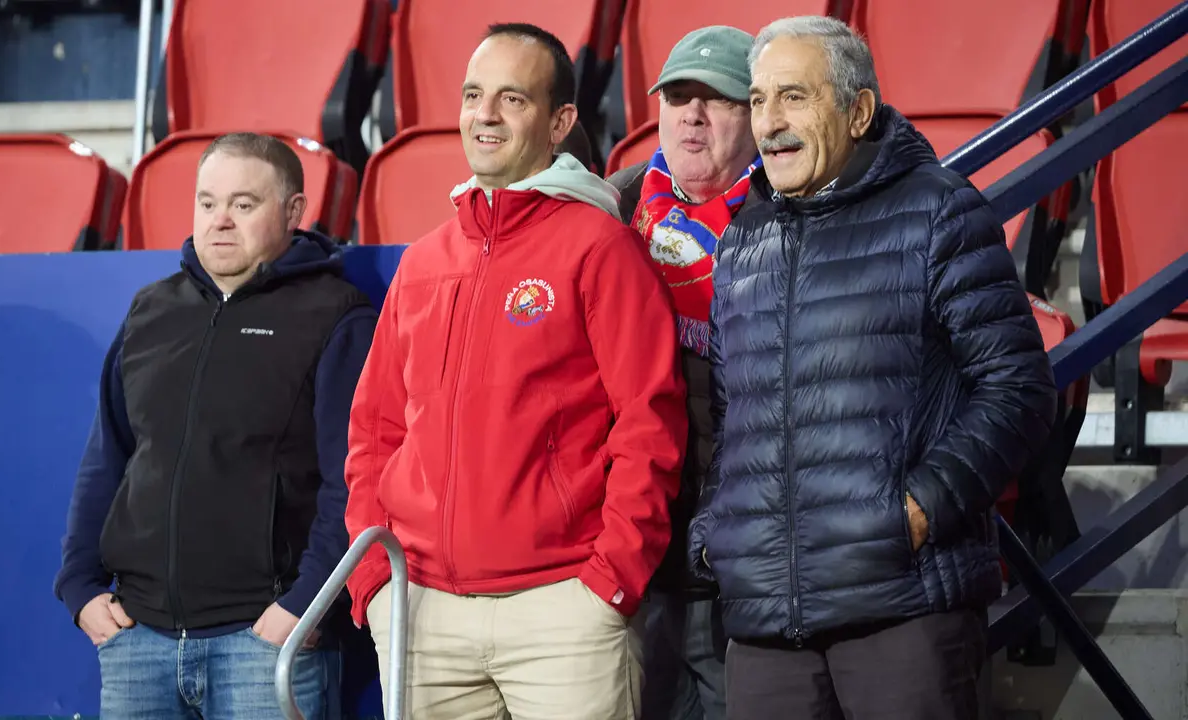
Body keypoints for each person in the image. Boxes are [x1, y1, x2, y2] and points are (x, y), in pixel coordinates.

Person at [688, 16, 1057, 720]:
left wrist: (914, 514)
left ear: (858, 111)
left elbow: (1019, 391)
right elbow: (735, 416)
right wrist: (720, 531)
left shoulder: (937, 211)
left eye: (794, 97)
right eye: (759, 100)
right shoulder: (742, 240)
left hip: (904, 613)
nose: (770, 123)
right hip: (767, 628)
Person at [344, 22, 688, 720]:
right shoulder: (425, 260)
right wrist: (376, 582)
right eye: (474, 95)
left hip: (564, 614)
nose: (485, 115)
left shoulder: (601, 248)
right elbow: (375, 431)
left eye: (512, 99)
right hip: (424, 614)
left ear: (561, 121)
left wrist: (610, 581)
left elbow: (650, 425)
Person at [53, 132, 376, 719]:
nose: (220, 221)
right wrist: (80, 587)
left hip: (264, 644)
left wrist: (304, 606)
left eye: (243, 204)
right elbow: (109, 459)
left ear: (294, 212)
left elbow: (353, 481)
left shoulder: (337, 315)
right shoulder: (151, 311)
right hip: (137, 642)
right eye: (207, 203)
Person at [605, 24, 759, 720]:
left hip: (750, 567)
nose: (692, 114)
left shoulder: (794, 215)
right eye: (677, 96)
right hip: (640, 554)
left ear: (757, 113)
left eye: (716, 98)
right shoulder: (611, 211)